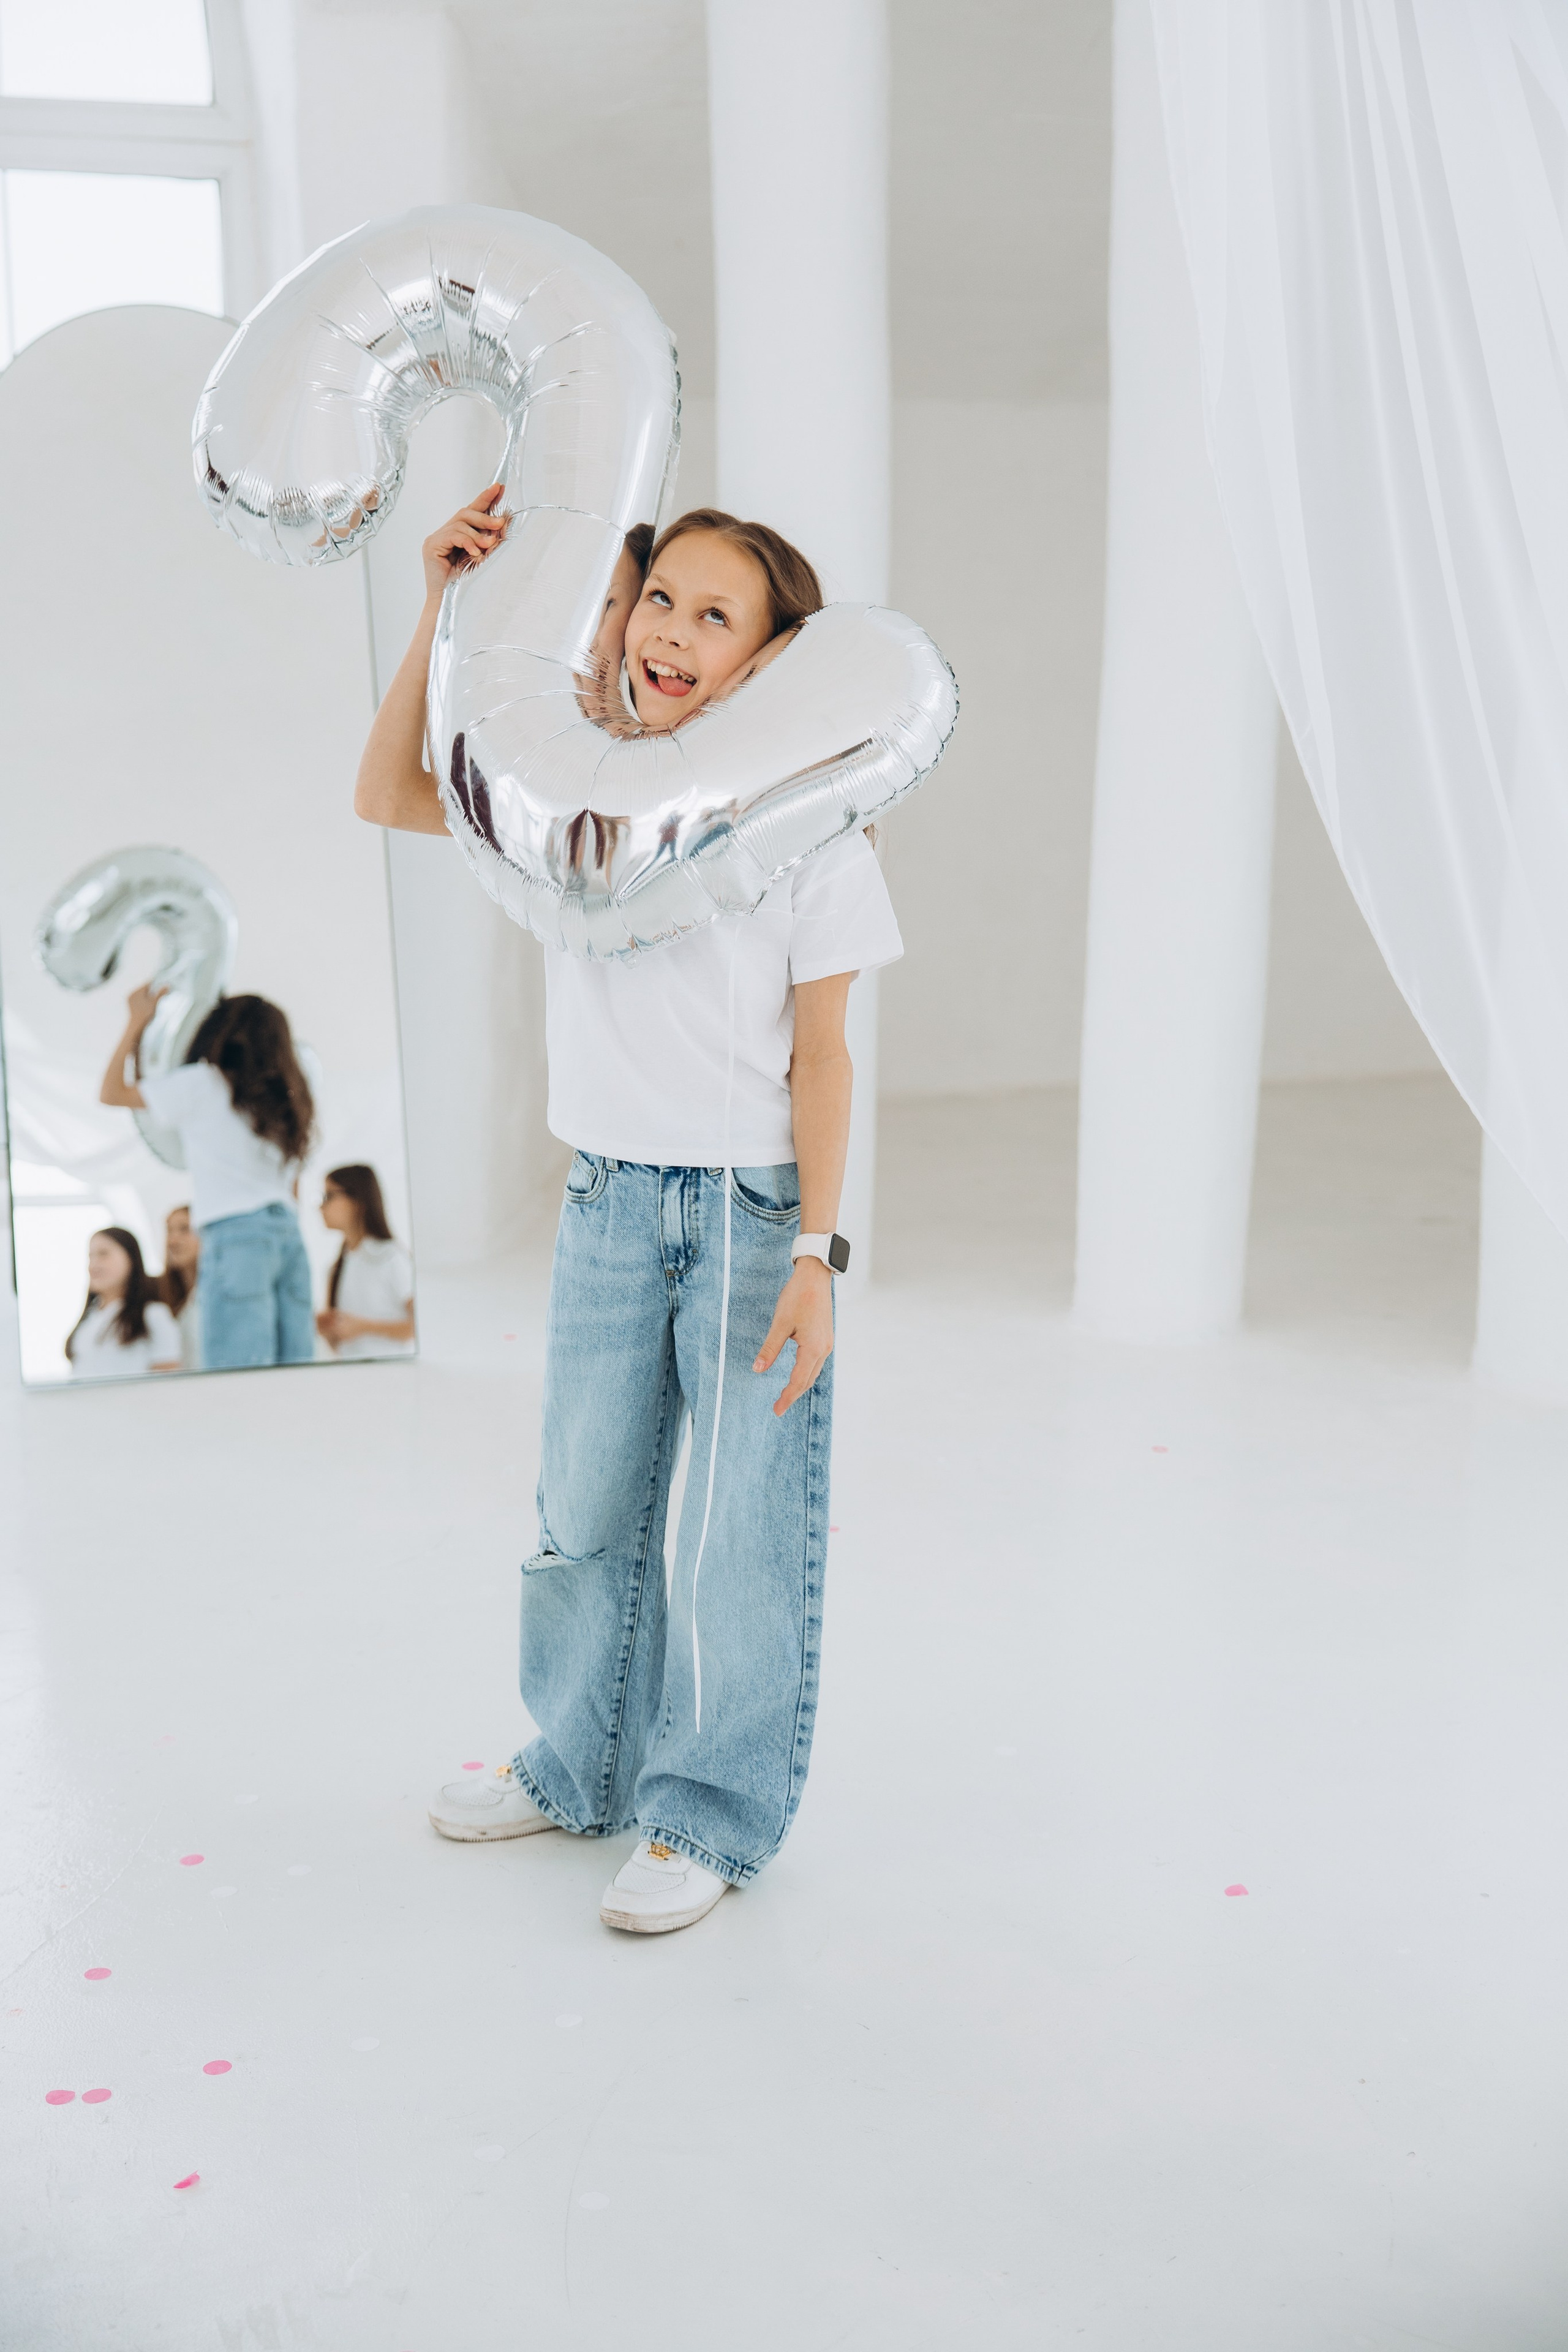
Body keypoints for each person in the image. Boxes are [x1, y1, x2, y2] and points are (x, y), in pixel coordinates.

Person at [355, 492, 902, 1936]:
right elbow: (390, 791)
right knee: (582, 1513)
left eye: (713, 616)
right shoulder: (569, 803)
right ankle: (577, 1764)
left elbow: (826, 1060)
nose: (667, 631)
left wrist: (818, 1254)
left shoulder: (813, 835)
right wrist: (441, 605)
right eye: (657, 597)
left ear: (765, 661)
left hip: (748, 1216)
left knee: (736, 1534)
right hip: (604, 1199)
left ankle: (707, 1813)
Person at [100, 989, 315, 1371]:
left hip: (236, 1235)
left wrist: (137, 1021)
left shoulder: (204, 1083)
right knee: (296, 1368)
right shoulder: (287, 1101)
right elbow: (294, 1182)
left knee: (238, 1374)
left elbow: (112, 1092)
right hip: (288, 1233)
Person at [315, 1164, 415, 1359]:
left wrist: (364, 1327)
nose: (321, 1206)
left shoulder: (391, 1257)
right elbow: (338, 1345)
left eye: (329, 1196)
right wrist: (326, 1328)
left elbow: (421, 1327)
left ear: (357, 1200)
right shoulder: (335, 1268)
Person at [66, 1227, 181, 1379]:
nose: (93, 1265)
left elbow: (168, 1382)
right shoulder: (90, 1317)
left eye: (103, 1254)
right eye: (90, 1257)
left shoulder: (153, 1315)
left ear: (131, 1258)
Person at [152, 1205, 203, 1371]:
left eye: (185, 1229)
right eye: (169, 1231)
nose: (172, 1241)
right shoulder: (162, 1295)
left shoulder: (216, 1295)